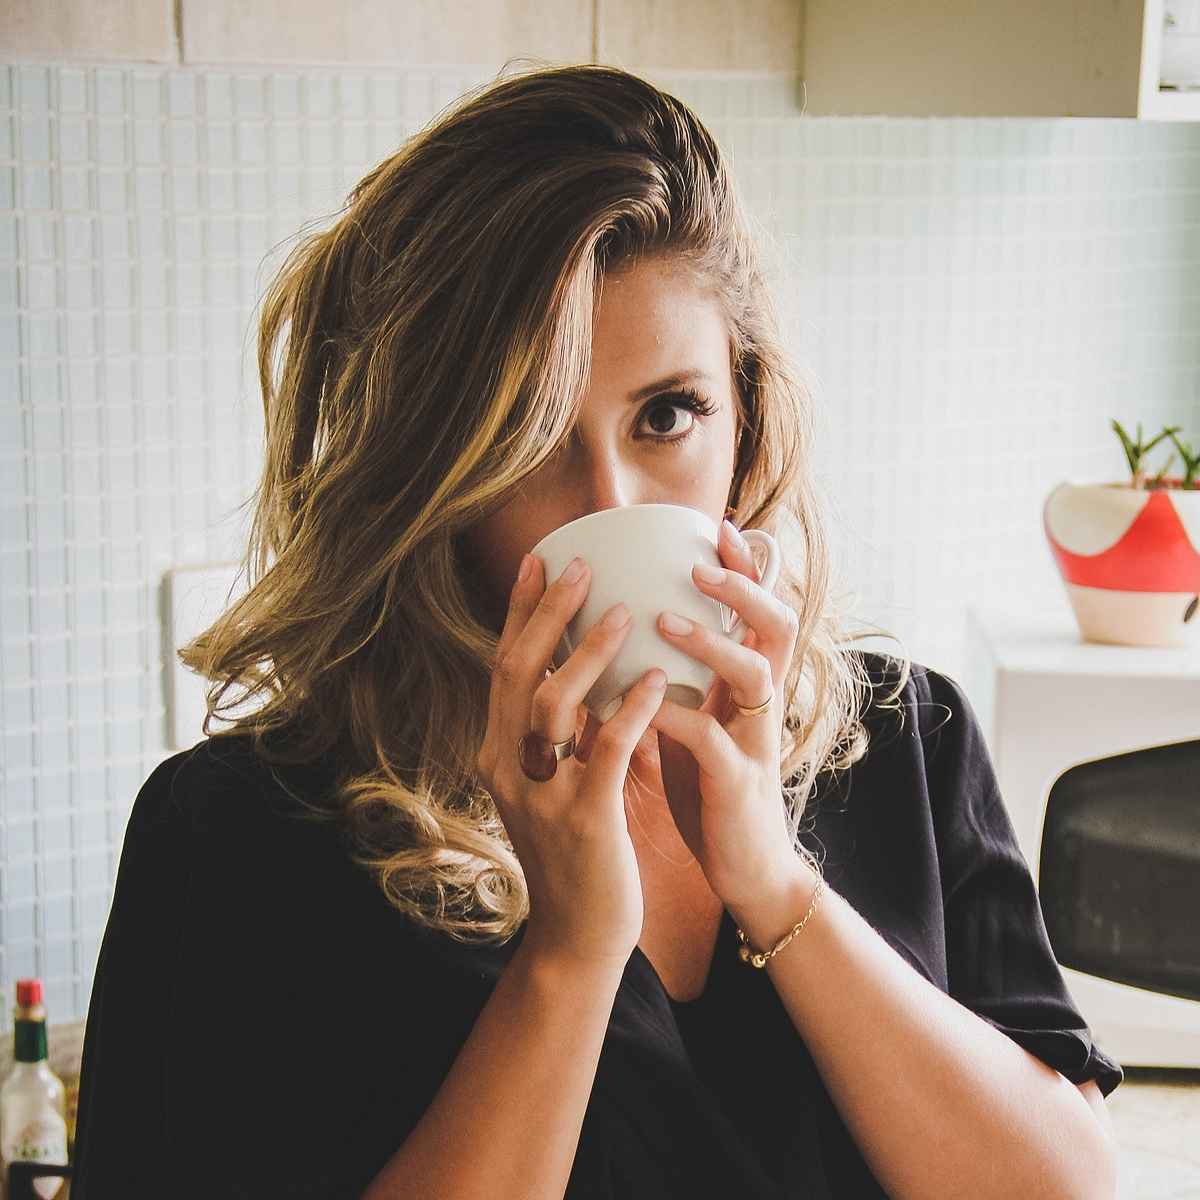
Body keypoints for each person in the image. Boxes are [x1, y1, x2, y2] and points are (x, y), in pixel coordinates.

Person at [69, 62, 1122, 1199]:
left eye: (668, 414)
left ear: (747, 423)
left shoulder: (904, 739)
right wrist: (570, 956)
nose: (612, 503)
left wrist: (774, 881)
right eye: (527, 439)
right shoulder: (241, 838)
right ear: (434, 476)